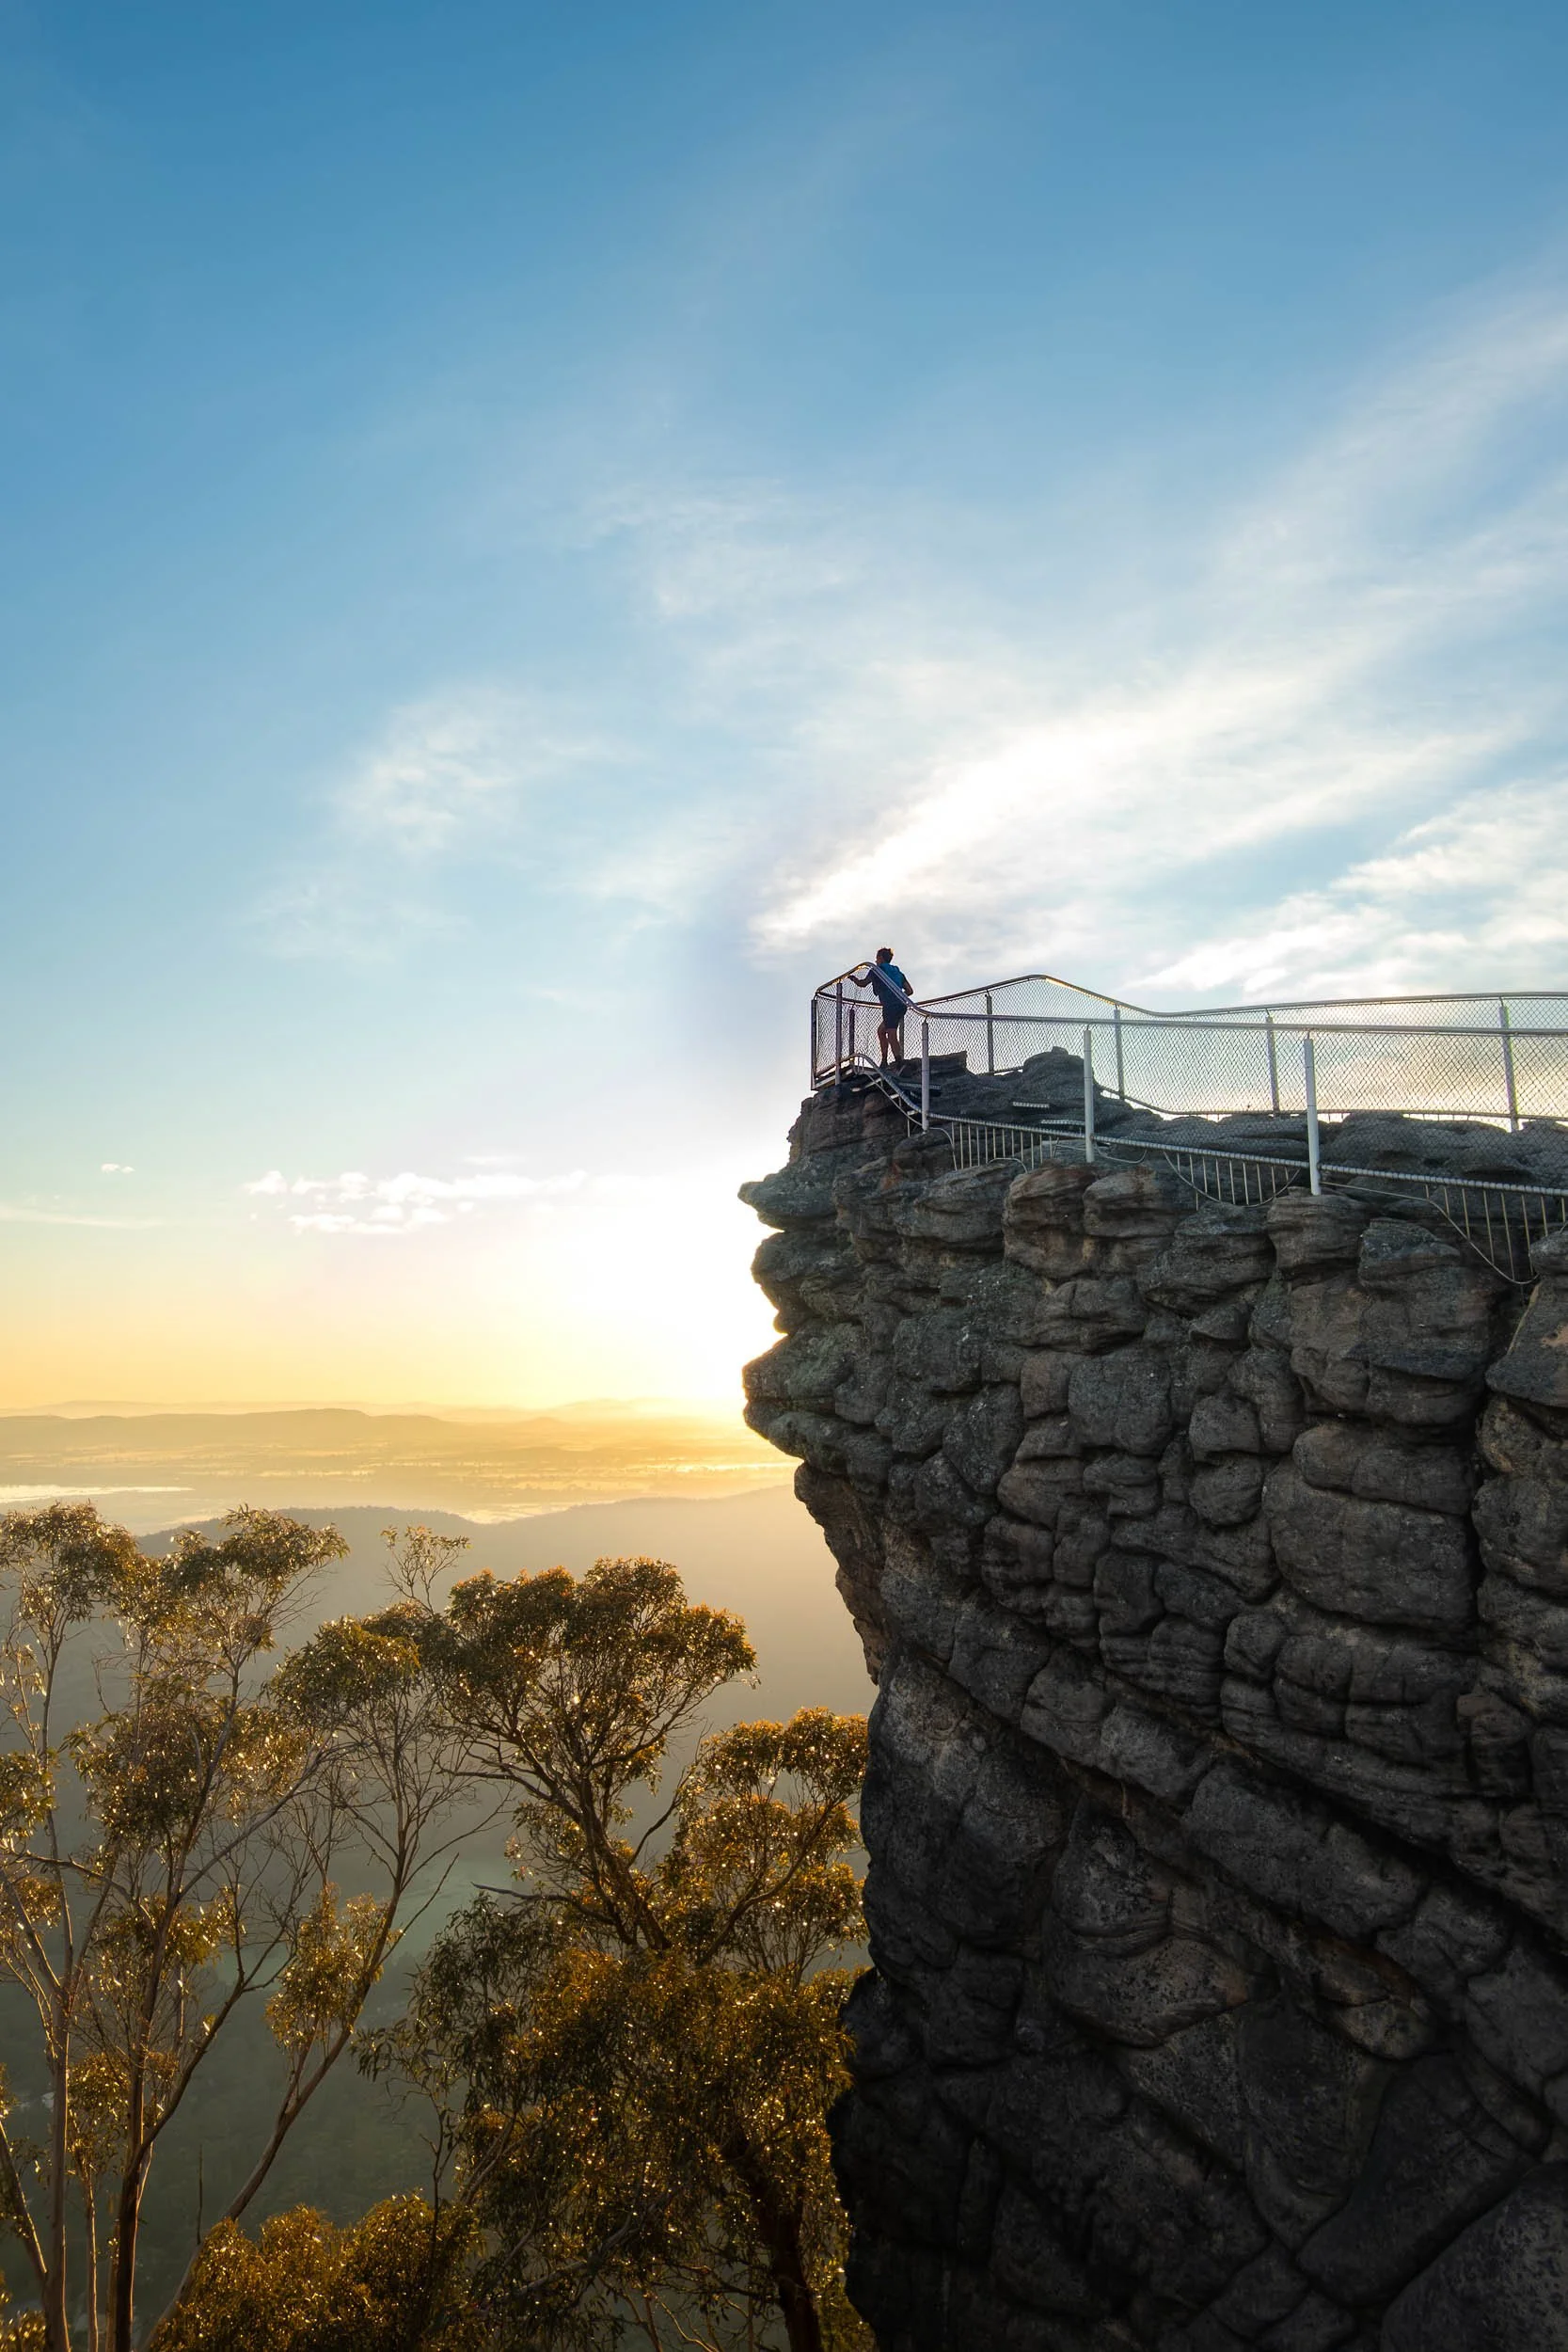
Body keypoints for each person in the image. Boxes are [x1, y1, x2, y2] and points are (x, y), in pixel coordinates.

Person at [852, 947, 914, 1067]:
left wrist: (853, 979)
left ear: (880, 958)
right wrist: (899, 996)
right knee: (881, 1031)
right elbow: (910, 991)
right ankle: (884, 1060)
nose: (875, 961)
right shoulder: (898, 972)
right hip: (901, 1005)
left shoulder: (877, 970)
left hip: (890, 1005)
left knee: (891, 1033)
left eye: (877, 958)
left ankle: (899, 1062)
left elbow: (863, 983)